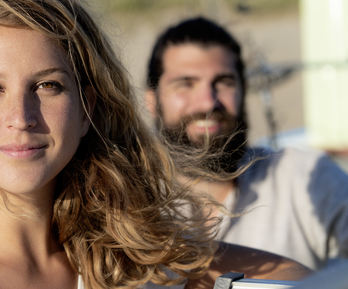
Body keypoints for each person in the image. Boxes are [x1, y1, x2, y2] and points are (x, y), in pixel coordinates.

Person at [0, 0, 311, 289]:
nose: (20, 116)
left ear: (86, 111)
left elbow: (294, 275)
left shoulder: (128, 261)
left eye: (47, 85)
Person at [145, 16, 348, 271]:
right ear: (151, 101)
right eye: (185, 84)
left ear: (243, 91)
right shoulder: (125, 207)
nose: (208, 102)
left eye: (224, 83)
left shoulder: (304, 178)